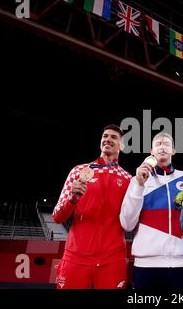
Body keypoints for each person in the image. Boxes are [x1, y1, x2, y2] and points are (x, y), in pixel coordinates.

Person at [52, 124, 132, 289]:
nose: (108, 139)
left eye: (114, 137)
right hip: (76, 257)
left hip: (112, 260)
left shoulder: (129, 179)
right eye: (105, 136)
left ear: (122, 146)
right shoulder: (79, 171)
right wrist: (72, 199)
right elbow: (57, 217)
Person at [120, 132, 183, 291]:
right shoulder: (136, 180)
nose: (162, 147)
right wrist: (139, 185)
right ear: (151, 151)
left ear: (174, 150)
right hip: (147, 266)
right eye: (158, 144)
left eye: (166, 144)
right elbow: (127, 224)